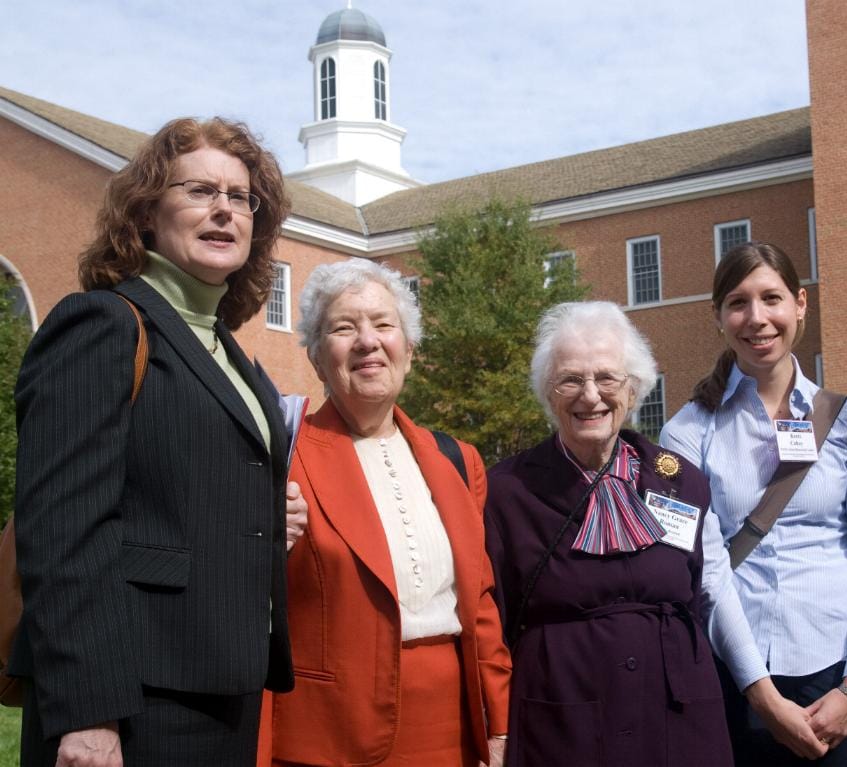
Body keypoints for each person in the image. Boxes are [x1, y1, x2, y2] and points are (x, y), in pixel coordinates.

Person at [13, 117, 304, 766]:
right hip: (131, 699)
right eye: (200, 190)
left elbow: (173, 497)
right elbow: (63, 530)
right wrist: (89, 712)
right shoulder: (102, 324)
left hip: (225, 686)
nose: (224, 210)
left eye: (240, 197)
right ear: (146, 211)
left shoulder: (233, 355)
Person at [259, 259, 512, 767]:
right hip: (329, 738)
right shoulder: (280, 454)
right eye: (343, 327)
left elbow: (480, 604)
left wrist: (498, 723)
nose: (367, 341)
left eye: (383, 324)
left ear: (410, 350)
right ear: (315, 356)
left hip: (451, 729)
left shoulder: (457, 460)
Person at [661, 242, 847, 766]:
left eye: (771, 298)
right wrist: (762, 696)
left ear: (800, 304)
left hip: (841, 667)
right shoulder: (685, 432)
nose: (757, 318)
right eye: (738, 303)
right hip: (736, 674)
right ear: (719, 318)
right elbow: (703, 572)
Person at [484, 301, 733, 767]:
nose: (590, 395)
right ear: (547, 392)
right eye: (571, 379)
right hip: (560, 725)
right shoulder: (506, 492)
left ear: (634, 388)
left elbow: (696, 592)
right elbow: (490, 626)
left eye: (607, 378)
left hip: (676, 719)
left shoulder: (681, 481)